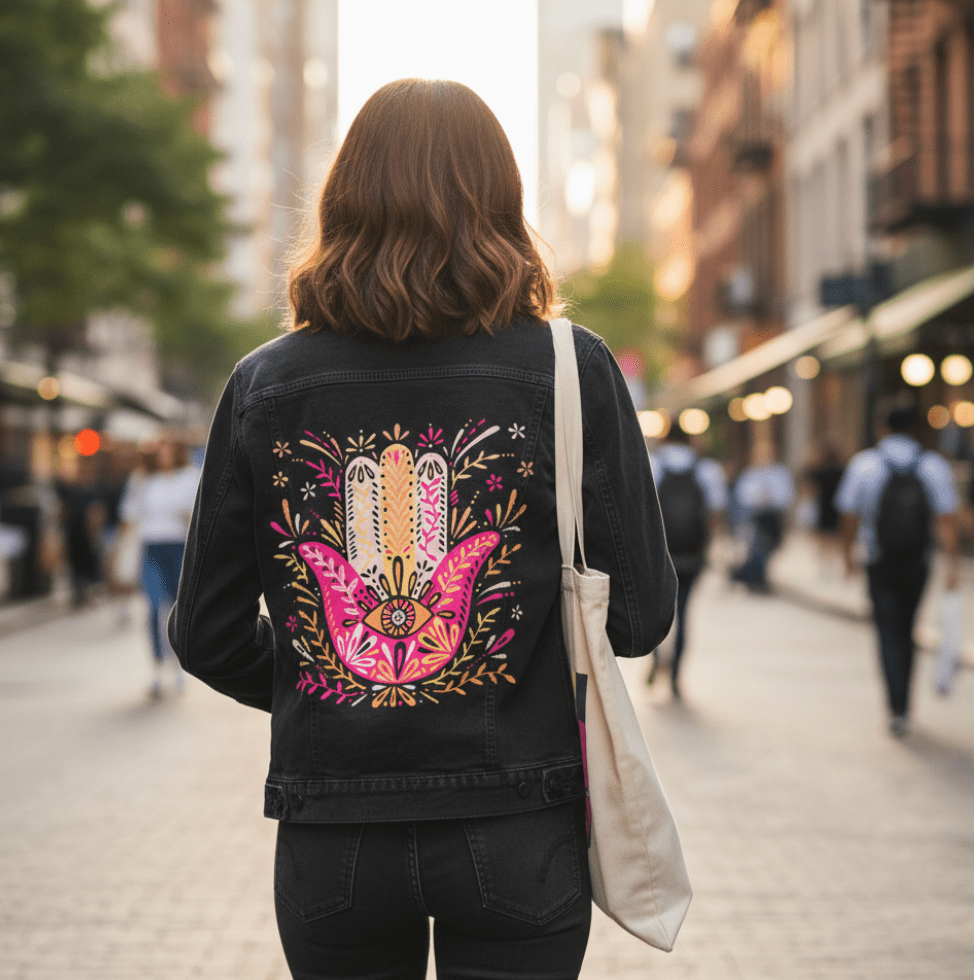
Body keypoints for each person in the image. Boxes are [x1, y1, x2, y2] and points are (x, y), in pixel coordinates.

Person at [169, 80, 677, 980]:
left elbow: (205, 635)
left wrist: (327, 687)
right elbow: (639, 620)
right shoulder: (569, 367)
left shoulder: (264, 384)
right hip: (520, 821)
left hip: (334, 831)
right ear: (502, 202)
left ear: (342, 201)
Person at [834, 403, 959, 737]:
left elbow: (849, 514)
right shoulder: (933, 465)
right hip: (918, 561)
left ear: (881, 427)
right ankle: (906, 703)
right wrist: (953, 565)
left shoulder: (865, 463)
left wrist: (848, 557)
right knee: (908, 629)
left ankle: (896, 707)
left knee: (888, 631)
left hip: (879, 560)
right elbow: (946, 519)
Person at [650, 423, 727, 697]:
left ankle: (656, 657)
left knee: (656, 611)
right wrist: (714, 546)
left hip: (659, 554)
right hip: (691, 554)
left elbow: (641, 508)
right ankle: (675, 675)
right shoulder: (707, 469)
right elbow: (716, 511)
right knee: (683, 612)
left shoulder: (653, 463)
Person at [120, 436, 199, 698]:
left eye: (169, 450)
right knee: (154, 607)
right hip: (151, 548)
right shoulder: (142, 480)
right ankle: (156, 667)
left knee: (178, 608)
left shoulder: (190, 477)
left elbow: (198, 514)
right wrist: (120, 552)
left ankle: (178, 666)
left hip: (179, 548)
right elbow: (129, 515)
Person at [730, 440, 794, 592]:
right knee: (757, 548)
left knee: (770, 547)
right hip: (755, 516)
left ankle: (753, 575)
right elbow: (742, 496)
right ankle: (755, 579)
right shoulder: (749, 474)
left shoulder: (780, 473)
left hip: (774, 516)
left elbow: (787, 495)